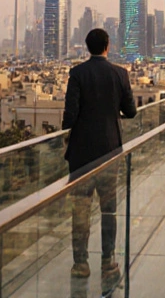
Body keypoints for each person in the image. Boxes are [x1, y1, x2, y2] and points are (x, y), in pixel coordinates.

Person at [62, 28, 136, 281]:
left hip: (81, 152)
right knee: (109, 210)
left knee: (80, 209)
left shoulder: (78, 74)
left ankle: (80, 264)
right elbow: (132, 111)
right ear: (108, 46)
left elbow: (69, 116)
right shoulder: (120, 74)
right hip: (109, 150)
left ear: (87, 47)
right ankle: (107, 261)